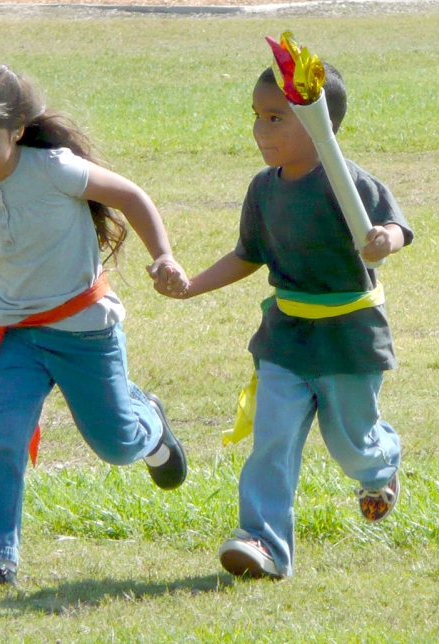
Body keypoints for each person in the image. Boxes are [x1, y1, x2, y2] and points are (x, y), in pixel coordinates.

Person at [0, 61, 189, 594]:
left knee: (116, 445)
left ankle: (150, 424)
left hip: (85, 332)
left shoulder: (53, 169)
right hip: (17, 339)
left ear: (17, 130)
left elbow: (131, 196)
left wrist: (163, 256)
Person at [155, 62, 413, 579]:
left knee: (352, 442)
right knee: (272, 440)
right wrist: (191, 286)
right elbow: (248, 255)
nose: (260, 130)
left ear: (320, 124)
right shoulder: (263, 189)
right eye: (257, 116)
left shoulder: (350, 181)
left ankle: (379, 468)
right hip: (285, 338)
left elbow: (396, 227)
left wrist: (386, 238)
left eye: (276, 118)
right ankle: (262, 542)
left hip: (349, 337)